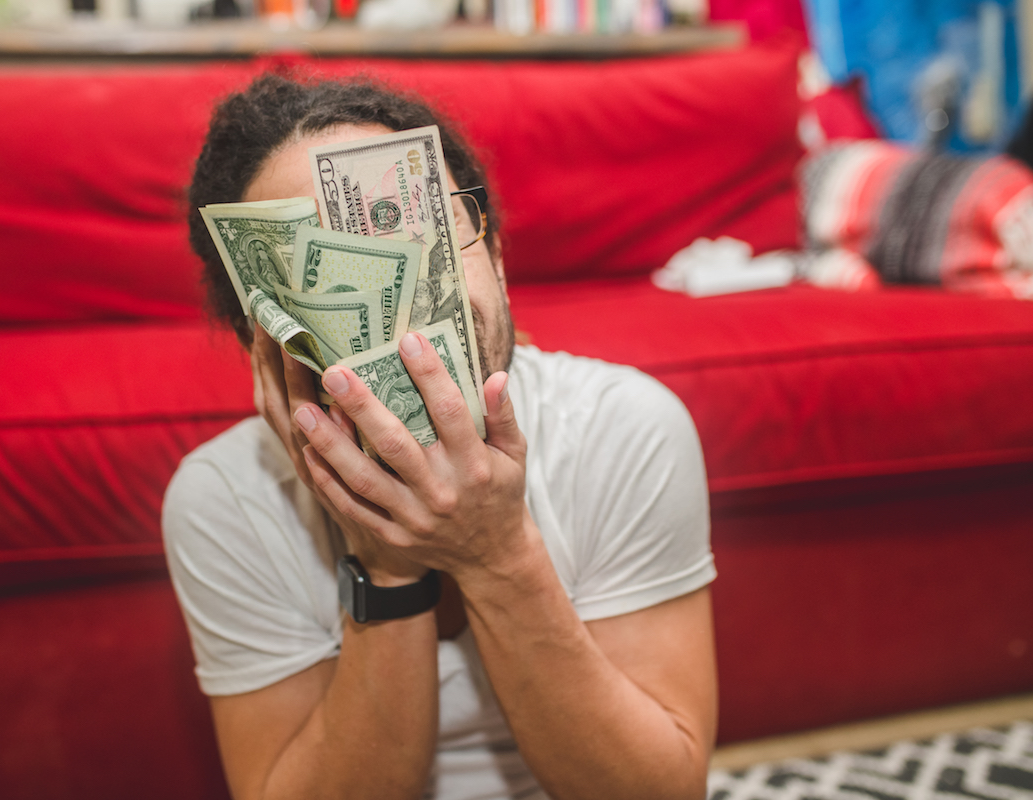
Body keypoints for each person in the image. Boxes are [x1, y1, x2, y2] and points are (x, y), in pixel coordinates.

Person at [165, 73, 718, 800]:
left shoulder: (625, 424)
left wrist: (496, 554)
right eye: (325, 275)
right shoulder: (222, 501)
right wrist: (388, 564)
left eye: (420, 239)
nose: (397, 308)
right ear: (261, 341)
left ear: (494, 256)